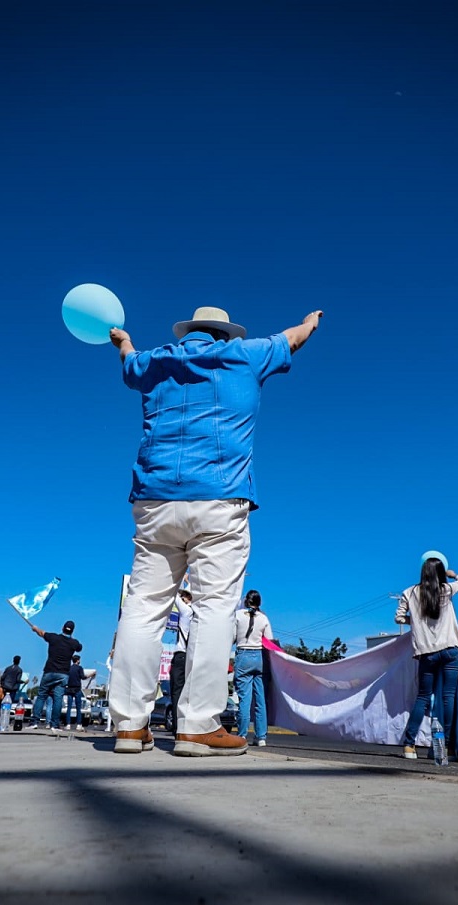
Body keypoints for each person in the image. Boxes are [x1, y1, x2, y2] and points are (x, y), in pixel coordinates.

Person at [107, 305, 323, 757]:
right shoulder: (244, 355)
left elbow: (128, 362)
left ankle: (129, 725)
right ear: (223, 334)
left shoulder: (155, 360)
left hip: (154, 498)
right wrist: (309, 322)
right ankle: (197, 727)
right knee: (214, 608)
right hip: (220, 498)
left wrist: (123, 339)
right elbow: (293, 339)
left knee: (144, 609)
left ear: (188, 332)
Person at [394, 555, 458, 760]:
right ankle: (448, 747)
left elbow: (398, 618)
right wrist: (452, 574)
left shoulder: (409, 593)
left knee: (423, 697)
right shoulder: (446, 589)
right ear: (441, 573)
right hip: (452, 649)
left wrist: (415, 621)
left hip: (426, 652)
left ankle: (409, 745)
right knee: (448, 697)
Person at [233, 590, 274, 746]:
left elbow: (231, 637)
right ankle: (261, 737)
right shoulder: (263, 618)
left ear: (246, 601)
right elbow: (269, 641)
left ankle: (242, 735)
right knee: (260, 699)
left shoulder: (237, 615)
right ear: (259, 603)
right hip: (259, 658)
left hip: (243, 655)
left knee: (244, 699)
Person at [30, 620, 82, 732]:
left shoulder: (53, 638)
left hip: (49, 671)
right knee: (58, 699)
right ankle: (55, 724)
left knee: (42, 696)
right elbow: (79, 648)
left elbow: (42, 633)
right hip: (63, 674)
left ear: (62, 628)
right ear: (72, 631)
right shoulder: (74, 643)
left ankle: (34, 721)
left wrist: (35, 628)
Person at [169, 589, 194, 716]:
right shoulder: (199, 615)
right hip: (194, 657)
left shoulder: (186, 611)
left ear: (187, 597)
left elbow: (173, 595)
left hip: (181, 655)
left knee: (177, 691)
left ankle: (177, 725)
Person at [0, 656, 24, 727]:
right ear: (19, 661)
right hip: (13, 688)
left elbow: (2, 677)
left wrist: (2, 685)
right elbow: (18, 680)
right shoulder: (19, 670)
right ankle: (6, 718)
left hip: (5, 687)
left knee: (3, 703)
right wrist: (24, 682)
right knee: (9, 704)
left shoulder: (8, 668)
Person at [63, 655, 87, 730]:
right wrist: (89, 675)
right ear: (78, 660)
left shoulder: (69, 668)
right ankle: (78, 724)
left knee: (69, 707)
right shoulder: (79, 668)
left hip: (69, 688)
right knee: (78, 707)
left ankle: (68, 724)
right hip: (77, 688)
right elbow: (83, 677)